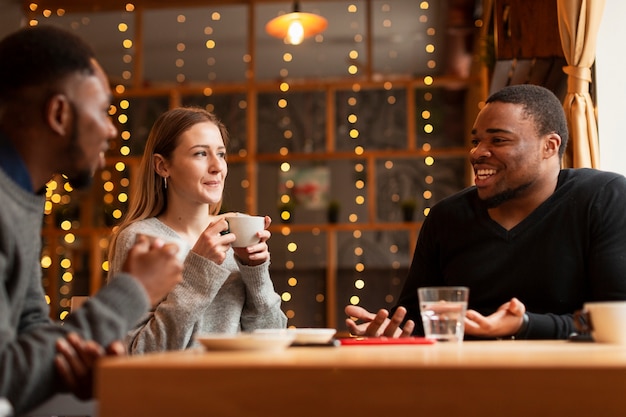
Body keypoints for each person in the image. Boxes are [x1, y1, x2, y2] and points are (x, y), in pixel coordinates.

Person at [345, 84, 626, 340]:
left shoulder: (604, 198)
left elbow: (618, 320)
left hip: (576, 383)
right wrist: (388, 330)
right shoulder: (446, 217)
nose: (478, 152)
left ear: (549, 146)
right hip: (466, 383)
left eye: (498, 141)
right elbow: (415, 320)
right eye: (476, 141)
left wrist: (525, 324)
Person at [0, 25, 183, 415]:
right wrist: (131, 292)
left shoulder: (23, 197)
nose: (111, 131)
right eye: (103, 111)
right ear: (59, 113)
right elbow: (5, 378)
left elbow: (29, 326)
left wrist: (71, 363)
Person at [108, 106, 287, 353]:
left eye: (221, 154)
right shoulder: (139, 240)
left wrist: (256, 274)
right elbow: (136, 353)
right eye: (201, 154)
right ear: (162, 166)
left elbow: (273, 338)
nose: (217, 167)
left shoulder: (235, 233)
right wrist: (198, 269)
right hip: (176, 390)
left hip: (240, 386)